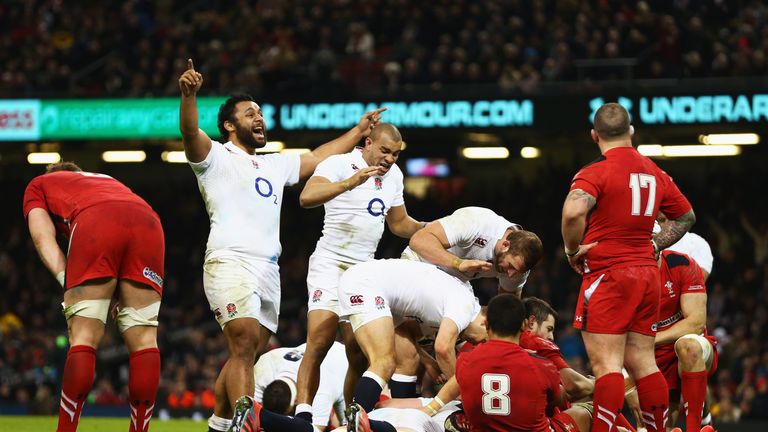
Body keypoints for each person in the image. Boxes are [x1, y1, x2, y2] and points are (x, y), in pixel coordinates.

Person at [178, 59, 386, 432]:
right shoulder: (216, 158)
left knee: (248, 352)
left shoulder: (274, 164)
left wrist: (358, 130)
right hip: (230, 261)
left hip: (268, 270)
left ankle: (220, 424)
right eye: (249, 113)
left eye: (260, 112)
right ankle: (247, 424)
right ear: (229, 125)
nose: (259, 118)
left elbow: (320, 156)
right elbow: (190, 133)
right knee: (242, 342)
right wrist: (189, 96)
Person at [561, 102, 695, 432]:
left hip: (609, 274)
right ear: (631, 131)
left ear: (594, 135)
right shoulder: (654, 171)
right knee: (643, 361)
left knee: (607, 365)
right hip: (647, 274)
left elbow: (573, 212)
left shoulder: (595, 171)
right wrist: (654, 244)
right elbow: (686, 217)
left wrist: (572, 249)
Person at [295, 123, 425, 422]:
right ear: (367, 143)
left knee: (357, 352)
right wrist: (350, 182)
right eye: (385, 151)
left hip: (363, 271)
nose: (390, 159)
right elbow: (306, 197)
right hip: (330, 263)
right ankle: (302, 418)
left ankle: (354, 418)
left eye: (395, 154)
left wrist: (431, 228)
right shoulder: (339, 163)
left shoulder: (394, 175)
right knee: (319, 340)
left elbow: (399, 223)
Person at [23, 162, 164, 432]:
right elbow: (123, 220)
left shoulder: (39, 184)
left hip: (96, 220)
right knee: (145, 340)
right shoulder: (105, 179)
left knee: (84, 336)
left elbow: (43, 238)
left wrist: (69, 281)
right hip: (149, 222)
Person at [338, 259, 489, 431]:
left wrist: (428, 361)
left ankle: (352, 419)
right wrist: (463, 391)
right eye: (484, 339)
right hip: (367, 284)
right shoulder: (466, 307)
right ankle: (354, 425)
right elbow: (443, 348)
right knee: (384, 362)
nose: (479, 343)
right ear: (485, 322)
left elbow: (409, 332)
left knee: (369, 362)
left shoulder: (452, 307)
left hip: (370, 285)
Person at [454, 294, 596, 432]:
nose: (551, 337)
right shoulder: (542, 365)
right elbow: (560, 398)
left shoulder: (464, 360)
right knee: (584, 412)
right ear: (524, 324)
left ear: (486, 324)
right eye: (549, 329)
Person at [625, 250, 717, 432]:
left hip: (687, 347)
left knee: (688, 347)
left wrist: (651, 340)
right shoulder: (622, 278)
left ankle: (697, 427)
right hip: (650, 362)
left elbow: (696, 322)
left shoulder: (681, 263)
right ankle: (705, 420)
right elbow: (615, 342)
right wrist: (628, 389)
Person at [403, 206, 543, 297]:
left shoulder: (520, 264)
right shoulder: (477, 221)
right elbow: (419, 240)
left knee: (476, 330)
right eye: (511, 266)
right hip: (419, 262)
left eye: (517, 272)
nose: (511, 274)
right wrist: (458, 263)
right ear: (505, 245)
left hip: (454, 283)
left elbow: (508, 300)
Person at [253, 342, 347, 431]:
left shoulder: (320, 394)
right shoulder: (263, 367)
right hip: (323, 354)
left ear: (296, 401)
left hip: (347, 366)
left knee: (352, 427)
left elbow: (314, 430)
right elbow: (251, 410)